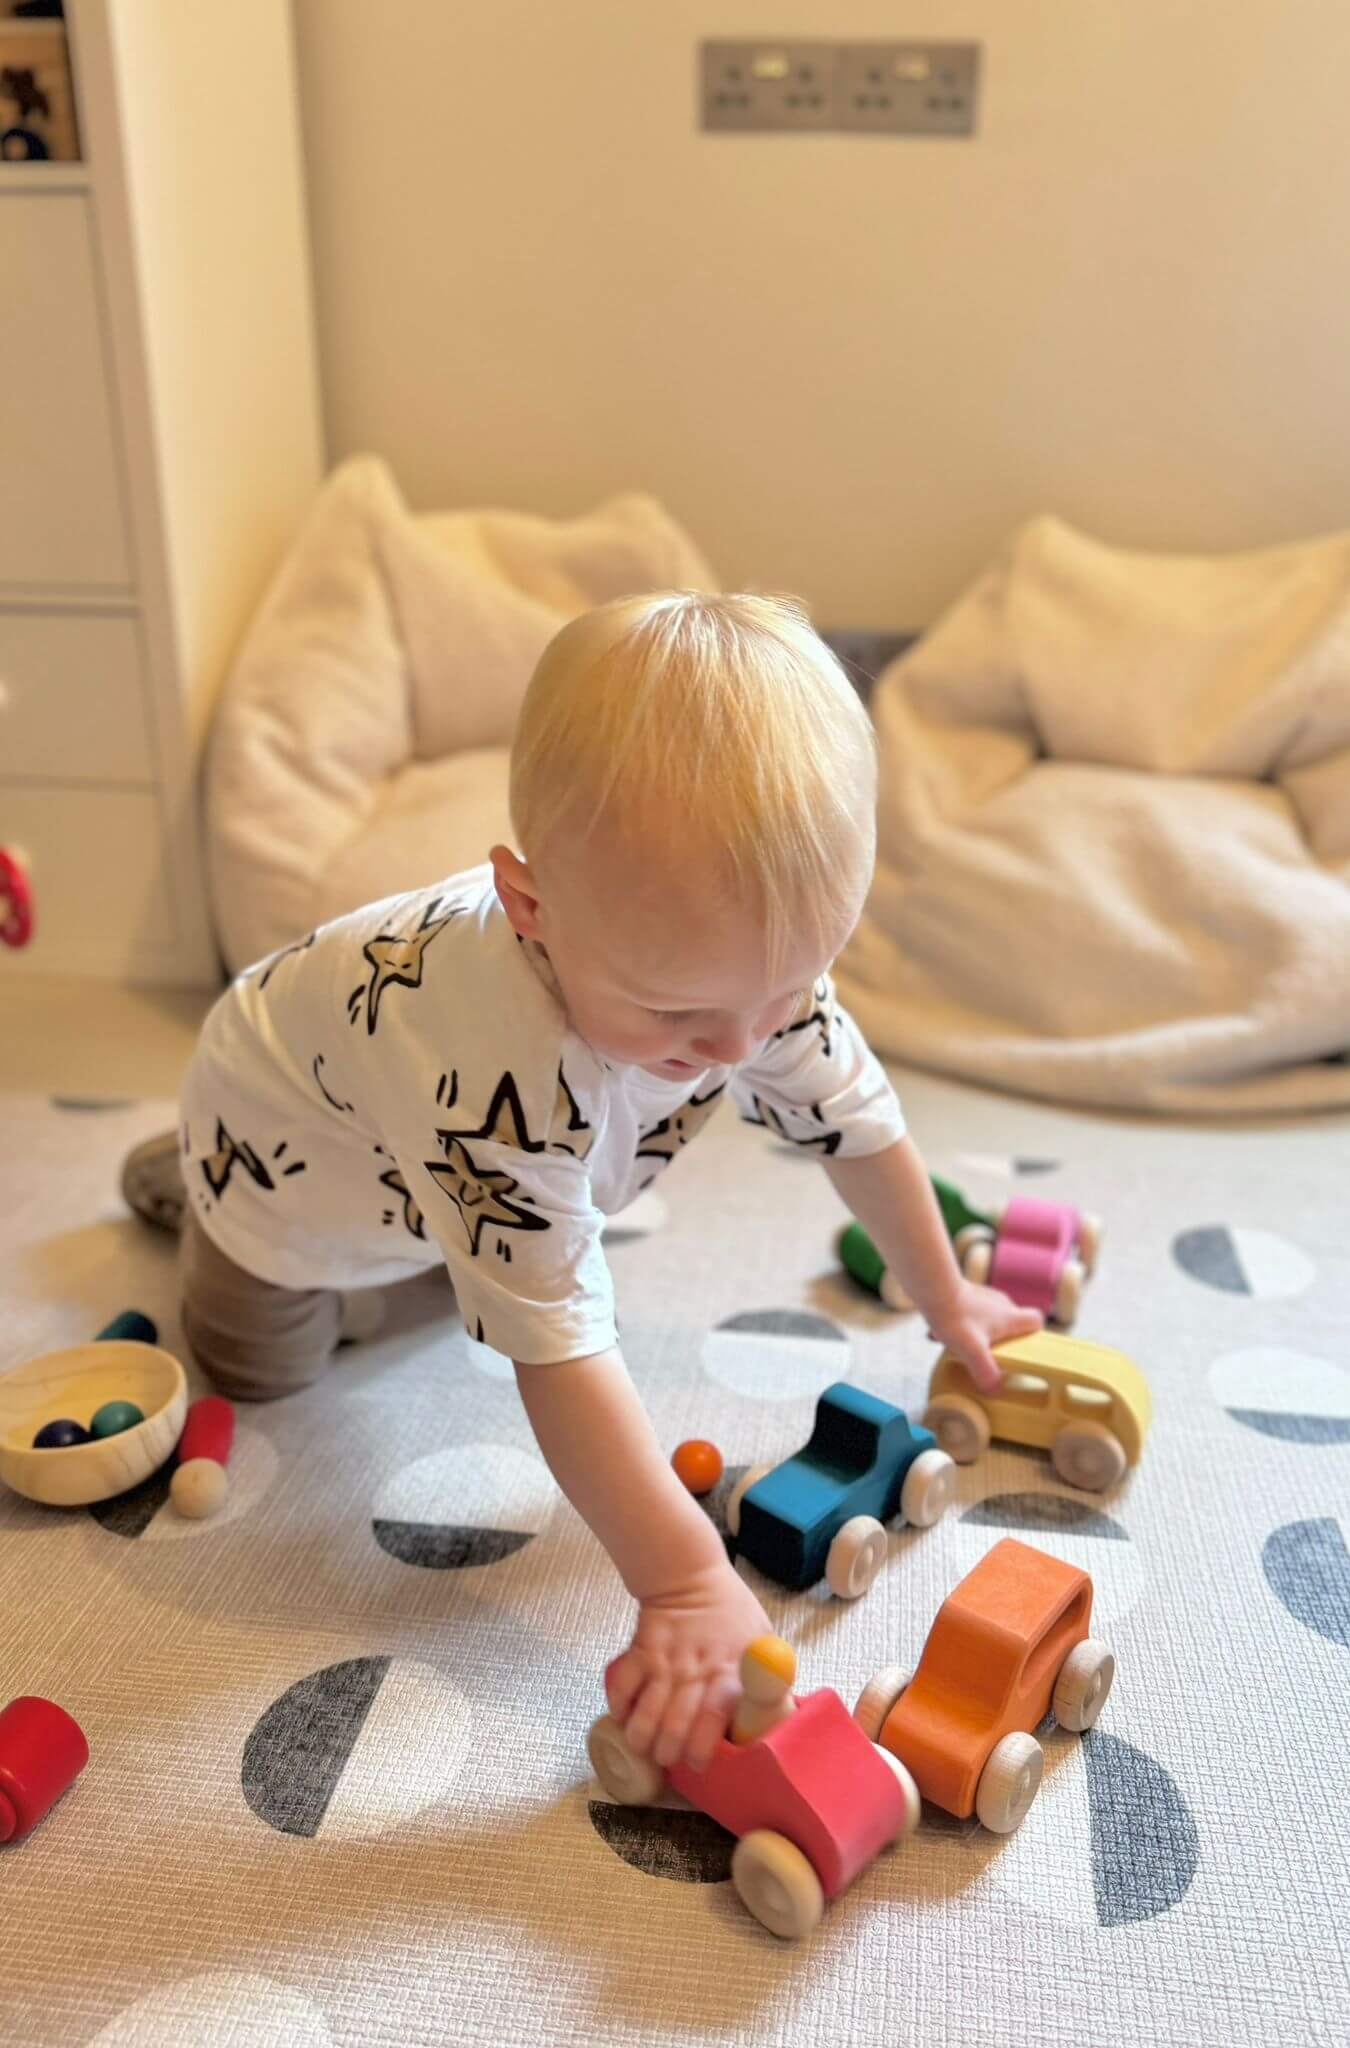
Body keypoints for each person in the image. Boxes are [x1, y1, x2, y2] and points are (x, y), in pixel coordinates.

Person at [123, 592, 1038, 1775]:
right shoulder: (495, 1071)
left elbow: (853, 1125)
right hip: (284, 1153)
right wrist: (683, 1576)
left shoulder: (751, 977)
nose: (738, 1044)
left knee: (498, 1268)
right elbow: (557, 1349)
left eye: (791, 985)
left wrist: (946, 1297)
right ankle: (190, 1193)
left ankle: (332, 1220)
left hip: (415, 1174)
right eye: (675, 1010)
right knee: (269, 1363)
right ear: (531, 904)